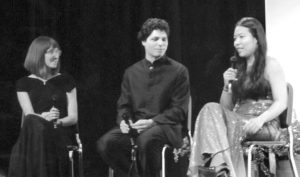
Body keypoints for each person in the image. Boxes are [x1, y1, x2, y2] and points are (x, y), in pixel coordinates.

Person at [188, 17, 287, 177]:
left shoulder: (271, 65)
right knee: (210, 108)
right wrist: (226, 85)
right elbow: (224, 110)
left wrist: (260, 119)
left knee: (223, 124)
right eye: (235, 38)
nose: (236, 42)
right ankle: (220, 170)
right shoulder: (238, 69)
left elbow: (281, 102)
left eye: (242, 37)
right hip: (238, 120)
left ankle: (218, 171)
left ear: (256, 39)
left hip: (263, 123)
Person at [97, 18, 190, 177]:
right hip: (137, 126)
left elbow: (179, 110)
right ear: (143, 42)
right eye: (155, 39)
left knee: (146, 141)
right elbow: (123, 106)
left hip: (166, 126)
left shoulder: (179, 71)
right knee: (106, 143)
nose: (161, 43)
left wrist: (152, 122)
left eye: (164, 39)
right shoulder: (131, 72)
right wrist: (124, 123)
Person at [8, 36, 78, 177]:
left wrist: (57, 121)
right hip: (34, 136)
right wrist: (43, 118)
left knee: (38, 128)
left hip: (58, 132)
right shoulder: (23, 84)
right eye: (51, 52)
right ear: (38, 55)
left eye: (57, 52)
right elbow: (29, 116)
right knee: (34, 123)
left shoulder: (66, 81)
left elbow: (73, 117)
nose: (56, 56)